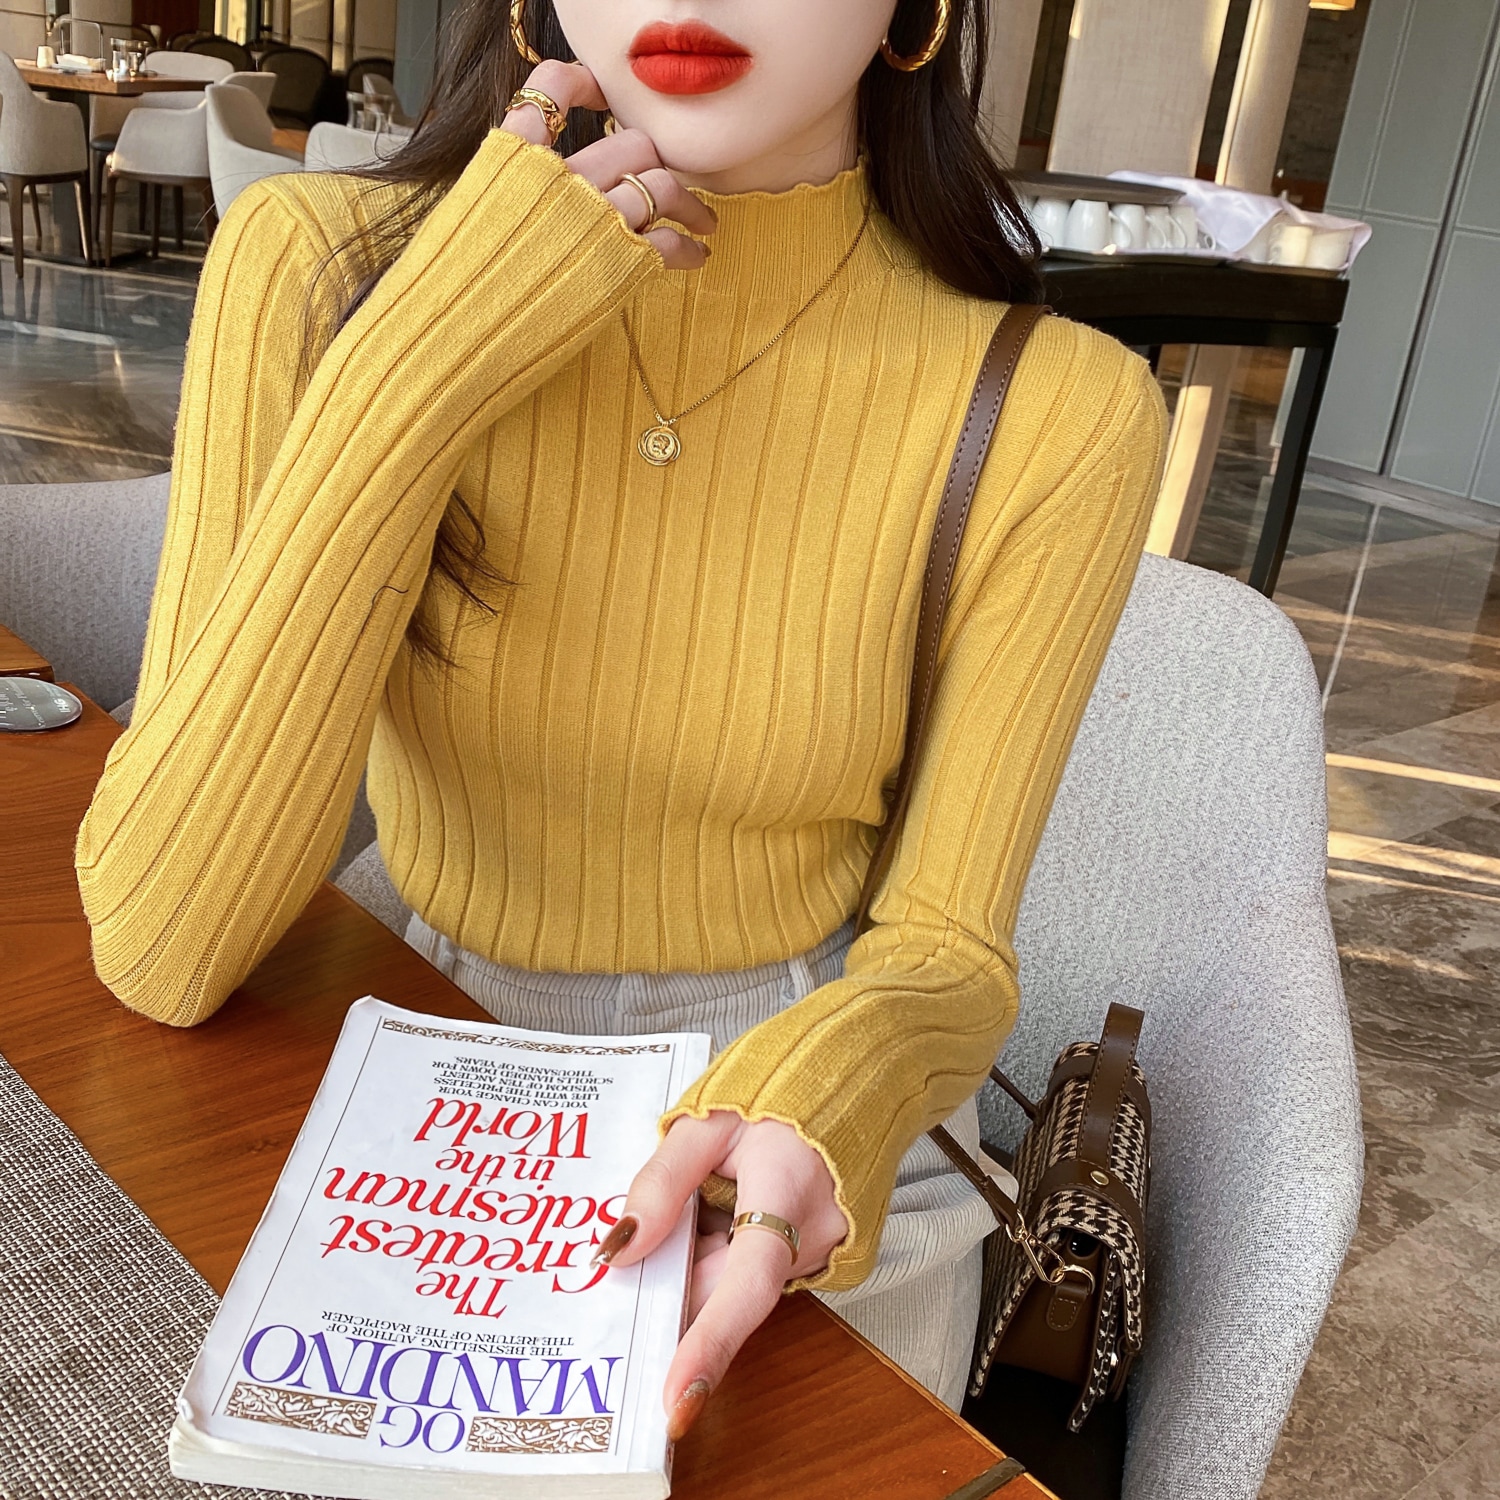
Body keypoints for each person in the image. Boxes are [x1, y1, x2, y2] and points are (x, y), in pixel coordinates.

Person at [75, 0, 1165, 1468]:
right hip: (393, 1037)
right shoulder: (314, 268)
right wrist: (424, 358)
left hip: (791, 1120)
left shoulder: (1053, 405)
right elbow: (161, 944)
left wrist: (820, 1107)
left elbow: (947, 954)